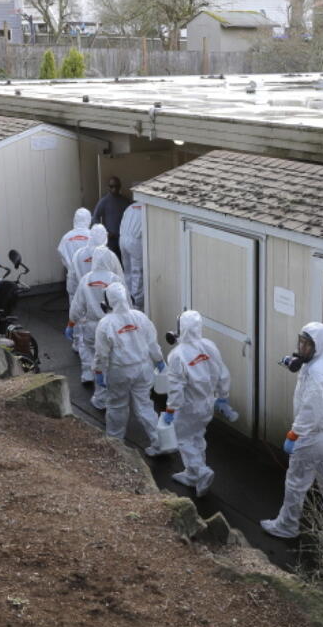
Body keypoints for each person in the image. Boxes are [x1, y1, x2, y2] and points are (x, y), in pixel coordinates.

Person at [260, 322, 323, 549]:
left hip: (313, 436)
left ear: (318, 345)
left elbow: (311, 409)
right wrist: (294, 362)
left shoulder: (317, 374)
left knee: (296, 483)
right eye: (301, 341)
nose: (302, 347)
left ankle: (287, 526)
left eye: (308, 344)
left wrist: (294, 433)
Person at [161, 310, 233, 498]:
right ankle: (192, 474)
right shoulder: (209, 346)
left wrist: (170, 409)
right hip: (207, 403)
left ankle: (201, 472)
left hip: (188, 406)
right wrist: (223, 396)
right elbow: (223, 373)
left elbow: (176, 388)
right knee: (197, 437)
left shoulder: (177, 355)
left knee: (183, 438)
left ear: (181, 329)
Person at [94, 282, 165, 454]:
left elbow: (102, 353)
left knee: (117, 406)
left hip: (120, 371)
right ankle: (161, 443)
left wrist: (98, 371)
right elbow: (152, 344)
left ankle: (115, 445)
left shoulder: (106, 323)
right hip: (143, 369)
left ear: (108, 301)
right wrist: (159, 360)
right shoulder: (139, 317)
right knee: (145, 406)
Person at [67, 246, 123, 386]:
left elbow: (77, 305)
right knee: (109, 356)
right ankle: (106, 392)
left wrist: (71, 324)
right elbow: (124, 302)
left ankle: (88, 375)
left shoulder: (86, 279)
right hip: (111, 325)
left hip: (91, 325)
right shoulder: (115, 279)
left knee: (89, 350)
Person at [91, 176, 131, 260]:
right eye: (111, 186)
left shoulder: (125, 201)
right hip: (111, 240)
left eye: (116, 186)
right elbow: (95, 218)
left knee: (124, 263)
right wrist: (104, 232)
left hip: (124, 239)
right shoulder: (104, 201)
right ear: (108, 187)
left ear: (120, 186)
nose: (114, 188)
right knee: (112, 261)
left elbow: (132, 218)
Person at [57, 207, 92, 299]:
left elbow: (62, 255)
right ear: (88, 219)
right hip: (90, 277)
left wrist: (70, 266)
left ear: (75, 219)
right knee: (91, 303)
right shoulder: (93, 236)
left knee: (74, 305)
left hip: (73, 277)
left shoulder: (66, 237)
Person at [118, 201, 144, 308]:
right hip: (135, 241)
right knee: (137, 273)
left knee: (127, 271)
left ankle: (126, 299)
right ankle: (136, 303)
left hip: (123, 239)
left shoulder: (130, 207)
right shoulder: (145, 208)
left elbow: (122, 223)